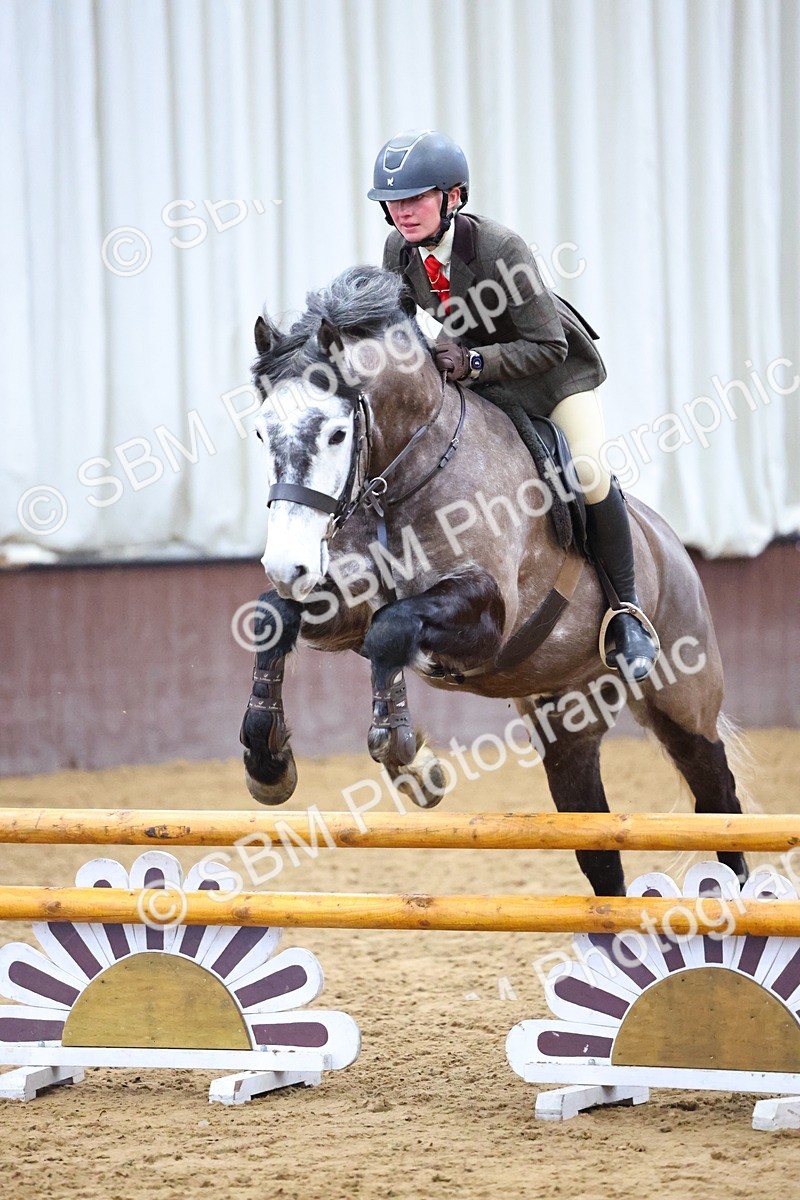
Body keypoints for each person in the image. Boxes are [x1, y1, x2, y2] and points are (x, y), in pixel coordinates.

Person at [367, 127, 658, 681]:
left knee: (591, 471)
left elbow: (548, 345)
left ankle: (627, 613)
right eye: (393, 202)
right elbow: (396, 328)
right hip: (481, 377)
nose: (402, 212)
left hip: (551, 376)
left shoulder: (501, 248)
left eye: (416, 198)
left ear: (453, 197)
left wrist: (475, 364)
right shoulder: (398, 252)